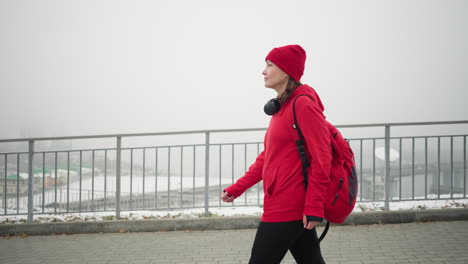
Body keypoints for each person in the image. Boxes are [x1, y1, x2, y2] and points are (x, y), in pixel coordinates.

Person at [221, 44, 331, 264]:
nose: (263, 71)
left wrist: (314, 206)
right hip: (284, 203)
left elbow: (322, 157)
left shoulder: (302, 106)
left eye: (270, 65)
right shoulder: (282, 107)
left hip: (288, 206)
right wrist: (238, 188)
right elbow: (268, 157)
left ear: (287, 71)